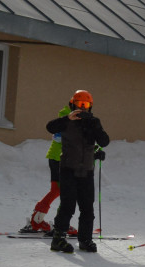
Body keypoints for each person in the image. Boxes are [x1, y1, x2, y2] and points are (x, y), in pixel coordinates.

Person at [46, 90, 110, 253]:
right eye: (79, 104)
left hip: (87, 171)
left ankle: (85, 239)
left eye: (86, 105)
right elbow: (50, 127)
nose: (82, 108)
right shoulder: (66, 121)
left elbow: (103, 141)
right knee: (68, 206)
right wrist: (68, 118)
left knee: (87, 207)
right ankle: (58, 238)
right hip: (68, 169)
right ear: (72, 104)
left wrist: (97, 144)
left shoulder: (93, 122)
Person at [24, 104, 77, 234]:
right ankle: (61, 223)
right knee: (65, 191)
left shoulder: (67, 116)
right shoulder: (69, 118)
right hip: (60, 158)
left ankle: (37, 219)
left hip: (56, 157)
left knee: (57, 190)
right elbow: (63, 138)